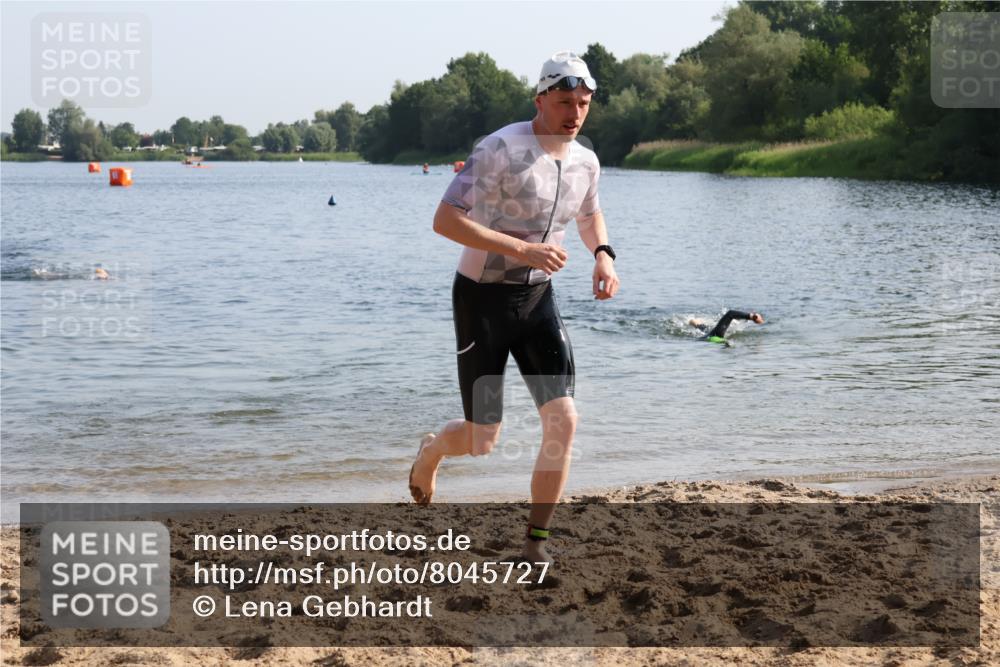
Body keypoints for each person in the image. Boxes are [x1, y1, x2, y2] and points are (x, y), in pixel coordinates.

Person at [408, 51, 619, 563]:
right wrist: (521, 248)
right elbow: (444, 219)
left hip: (537, 298)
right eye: (565, 101)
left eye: (584, 103)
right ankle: (433, 450)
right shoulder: (500, 148)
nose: (575, 112)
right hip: (482, 298)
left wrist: (604, 256)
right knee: (482, 440)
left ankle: (535, 544)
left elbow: (590, 215)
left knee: (564, 420)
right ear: (540, 100)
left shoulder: (585, 160)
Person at [689, 310, 764, 343]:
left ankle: (693, 321)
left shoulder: (717, 333)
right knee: (704, 329)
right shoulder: (717, 334)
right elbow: (730, 313)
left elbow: (730, 313)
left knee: (703, 329)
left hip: (709, 335)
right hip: (710, 336)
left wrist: (751, 317)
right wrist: (752, 317)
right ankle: (693, 321)